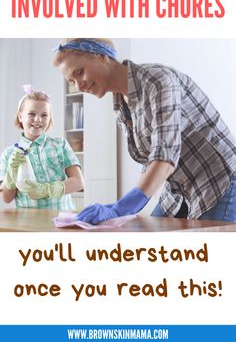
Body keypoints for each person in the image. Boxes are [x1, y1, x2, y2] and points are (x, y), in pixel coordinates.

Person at [53, 38, 236, 223]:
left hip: (220, 182)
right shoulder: (121, 102)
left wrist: (123, 207)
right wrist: (122, 206)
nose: (79, 86)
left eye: (80, 72)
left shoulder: (158, 81)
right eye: (72, 81)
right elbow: (150, 159)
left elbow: (165, 156)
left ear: (101, 56)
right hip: (179, 191)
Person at [0, 86, 84, 210]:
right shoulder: (9, 154)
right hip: (27, 221)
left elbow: (78, 182)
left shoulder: (60, 145)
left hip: (61, 218)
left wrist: (46, 190)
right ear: (20, 116)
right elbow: (7, 199)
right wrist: (11, 176)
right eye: (31, 114)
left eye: (44, 115)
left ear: (49, 119)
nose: (38, 120)